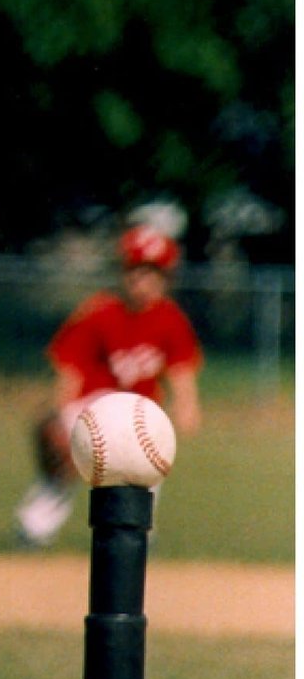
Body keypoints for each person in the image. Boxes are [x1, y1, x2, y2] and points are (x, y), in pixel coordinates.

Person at [13, 224, 203, 548]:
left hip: (140, 412)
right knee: (64, 466)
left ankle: (138, 533)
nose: (141, 281)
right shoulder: (100, 312)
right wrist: (59, 414)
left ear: (166, 279)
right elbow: (70, 368)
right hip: (91, 407)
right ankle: (34, 528)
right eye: (134, 271)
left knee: (145, 468)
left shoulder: (171, 320)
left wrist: (187, 406)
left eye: (152, 273)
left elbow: (181, 372)